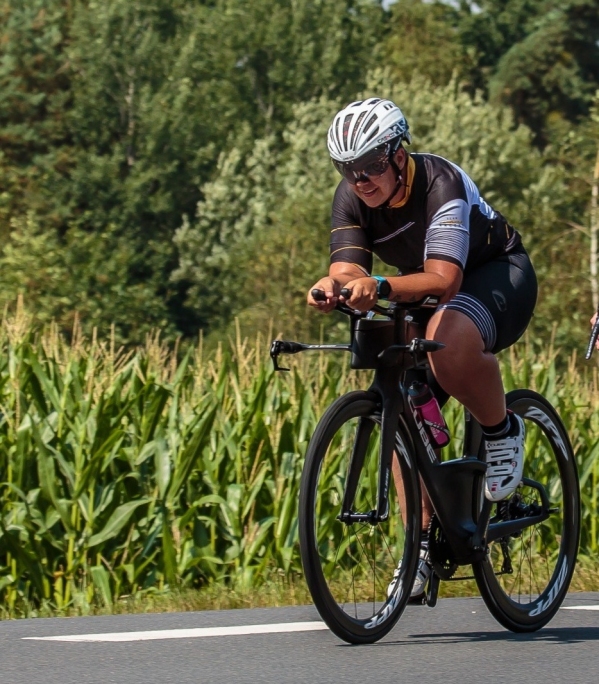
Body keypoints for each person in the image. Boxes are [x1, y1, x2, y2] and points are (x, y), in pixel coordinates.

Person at [307, 97, 538, 600]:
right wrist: (334, 286)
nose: (360, 179)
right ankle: (419, 549)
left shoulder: (440, 183)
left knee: (447, 337)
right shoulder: (350, 196)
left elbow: (443, 279)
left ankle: (502, 431)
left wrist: (381, 286)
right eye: (347, 168)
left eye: (370, 165)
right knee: (402, 406)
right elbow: (349, 267)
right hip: (421, 288)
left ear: (397, 154)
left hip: (495, 275)